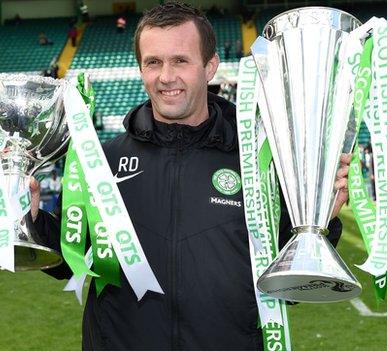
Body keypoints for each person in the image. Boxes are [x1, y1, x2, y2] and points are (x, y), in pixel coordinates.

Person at [30, 3, 350, 350]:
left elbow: (288, 282)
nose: (166, 76)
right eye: (153, 62)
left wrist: (322, 220)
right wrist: (26, 220)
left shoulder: (260, 163)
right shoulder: (102, 160)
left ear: (209, 66)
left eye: (180, 60)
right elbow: (67, 256)